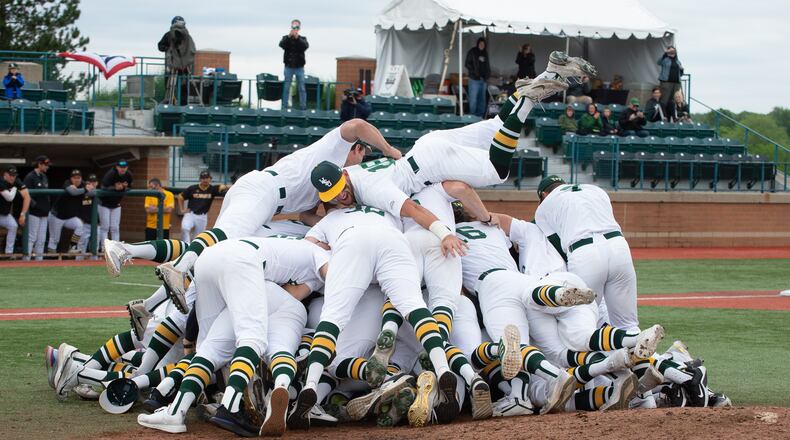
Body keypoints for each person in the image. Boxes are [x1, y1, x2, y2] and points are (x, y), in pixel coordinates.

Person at [47, 169, 94, 253]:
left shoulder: (83, 184)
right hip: (57, 216)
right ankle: (51, 260)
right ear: (71, 179)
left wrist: (87, 189)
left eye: (79, 178)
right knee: (54, 239)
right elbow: (72, 192)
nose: (77, 180)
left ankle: (72, 247)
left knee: (79, 225)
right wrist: (85, 190)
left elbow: (93, 193)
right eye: (74, 178)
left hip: (69, 217)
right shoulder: (67, 182)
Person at [178, 170, 228, 242]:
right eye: (203, 178)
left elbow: (222, 187)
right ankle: (186, 245)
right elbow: (180, 197)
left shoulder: (212, 189)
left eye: (207, 178)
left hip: (202, 216)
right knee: (185, 228)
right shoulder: (193, 188)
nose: (205, 180)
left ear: (210, 179)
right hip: (190, 214)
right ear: (200, 179)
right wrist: (182, 209)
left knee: (198, 237)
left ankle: (193, 249)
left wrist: (226, 186)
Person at [158, 16, 196, 105]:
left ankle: (170, 102)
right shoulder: (186, 36)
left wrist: (168, 49)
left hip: (178, 65)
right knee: (180, 85)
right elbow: (193, 50)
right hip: (180, 65)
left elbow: (160, 46)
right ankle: (179, 102)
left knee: (179, 85)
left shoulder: (182, 36)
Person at [23, 155, 51, 260]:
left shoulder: (44, 177)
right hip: (34, 212)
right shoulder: (30, 176)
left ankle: (39, 261)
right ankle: (26, 260)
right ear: (39, 164)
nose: (47, 167)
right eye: (45, 164)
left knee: (42, 239)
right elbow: (26, 194)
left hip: (44, 212)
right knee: (32, 237)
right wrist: (34, 205)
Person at [99, 161, 133, 245]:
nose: (122, 169)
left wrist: (124, 187)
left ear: (127, 167)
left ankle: (116, 248)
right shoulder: (111, 173)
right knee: (105, 227)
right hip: (104, 203)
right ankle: (105, 248)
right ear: (117, 167)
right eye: (121, 167)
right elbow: (103, 187)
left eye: (124, 167)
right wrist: (114, 188)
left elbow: (130, 187)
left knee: (115, 228)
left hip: (116, 203)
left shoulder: (128, 174)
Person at [280, 19, 309, 110]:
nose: (295, 29)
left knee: (301, 87)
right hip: (288, 67)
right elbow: (282, 45)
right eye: (293, 27)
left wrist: (297, 38)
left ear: (299, 28)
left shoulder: (302, 39)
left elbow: (305, 46)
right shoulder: (286, 38)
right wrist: (289, 36)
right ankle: (284, 106)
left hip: (299, 67)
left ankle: (303, 106)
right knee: (286, 87)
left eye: (296, 27)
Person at [0, 166, 30, 255]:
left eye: (14, 175)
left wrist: (23, 214)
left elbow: (26, 195)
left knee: (13, 225)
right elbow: (9, 197)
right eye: (10, 175)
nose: (12, 177)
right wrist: (15, 189)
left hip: (4, 214)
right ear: (5, 174)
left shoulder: (16, 181)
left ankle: (8, 253)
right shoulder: (1, 181)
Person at [464, 37, 490, 117]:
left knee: (482, 99)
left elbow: (487, 65)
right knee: (473, 99)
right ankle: (472, 116)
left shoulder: (485, 53)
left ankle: (480, 116)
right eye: (480, 44)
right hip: (474, 79)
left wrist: (487, 75)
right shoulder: (472, 51)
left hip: (483, 80)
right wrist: (474, 73)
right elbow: (467, 64)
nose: (482, 45)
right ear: (478, 44)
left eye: (483, 44)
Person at [74, 174, 98, 257]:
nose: (92, 184)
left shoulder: (100, 194)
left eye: (94, 182)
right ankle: (78, 265)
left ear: (97, 183)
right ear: (87, 183)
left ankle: (94, 265)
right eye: (90, 182)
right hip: (85, 224)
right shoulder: (82, 192)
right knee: (81, 246)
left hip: (96, 225)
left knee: (95, 247)